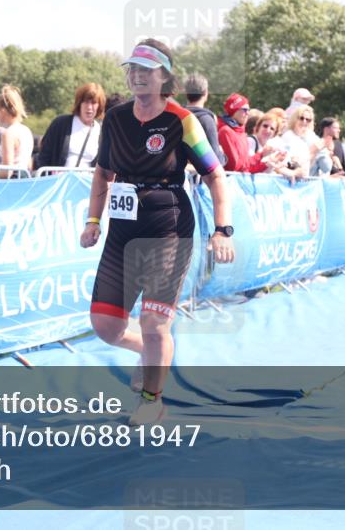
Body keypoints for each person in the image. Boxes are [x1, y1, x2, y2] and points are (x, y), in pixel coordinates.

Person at [80, 39, 233, 425]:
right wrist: (93, 220)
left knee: (153, 321)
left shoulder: (182, 120)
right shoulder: (115, 119)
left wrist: (222, 230)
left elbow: (215, 175)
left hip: (169, 228)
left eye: (145, 70)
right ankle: (150, 355)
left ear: (163, 76)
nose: (136, 76)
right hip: (123, 229)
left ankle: (152, 399)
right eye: (131, 69)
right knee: (106, 325)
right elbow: (103, 172)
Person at [35, 82, 106, 169]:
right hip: (59, 180)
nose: (89, 107)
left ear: (100, 106)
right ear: (79, 103)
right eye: (86, 102)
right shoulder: (60, 123)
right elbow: (44, 155)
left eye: (94, 103)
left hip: (86, 181)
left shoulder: (101, 131)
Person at [216, 93, 283, 173]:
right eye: (244, 110)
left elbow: (246, 167)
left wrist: (267, 163)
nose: (247, 113)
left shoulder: (241, 133)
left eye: (248, 110)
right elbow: (234, 167)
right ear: (234, 110)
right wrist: (261, 155)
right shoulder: (225, 131)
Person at [182, 74, 226, 166]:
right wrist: (222, 155)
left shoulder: (176, 117)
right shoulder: (207, 120)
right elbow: (216, 160)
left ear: (186, 93)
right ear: (205, 93)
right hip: (199, 177)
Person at [0, 85, 33, 177]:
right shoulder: (26, 130)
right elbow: (29, 165)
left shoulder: (8, 133)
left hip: (13, 181)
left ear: (2, 111)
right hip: (25, 178)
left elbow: (7, 172)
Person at [277, 105, 316, 181]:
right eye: (301, 118)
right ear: (295, 119)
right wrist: (313, 151)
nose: (304, 121)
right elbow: (288, 161)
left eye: (308, 120)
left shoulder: (308, 138)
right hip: (288, 181)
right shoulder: (288, 136)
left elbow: (307, 165)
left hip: (302, 182)